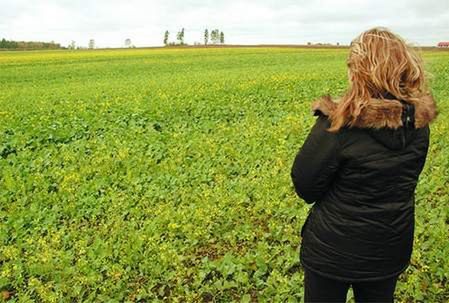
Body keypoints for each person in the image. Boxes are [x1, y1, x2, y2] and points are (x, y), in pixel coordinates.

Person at [290, 27, 438, 302]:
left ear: (360, 71)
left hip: (331, 252)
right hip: (389, 247)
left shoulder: (338, 124)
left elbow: (305, 185)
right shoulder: (417, 124)